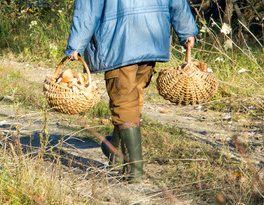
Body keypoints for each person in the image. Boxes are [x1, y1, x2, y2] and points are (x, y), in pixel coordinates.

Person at [65, 0, 198, 183]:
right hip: (152, 38)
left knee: (124, 101)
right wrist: (187, 31)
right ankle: (115, 151)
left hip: (118, 43)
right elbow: (177, 2)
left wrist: (76, 44)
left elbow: (88, 10)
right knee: (133, 99)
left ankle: (135, 171)